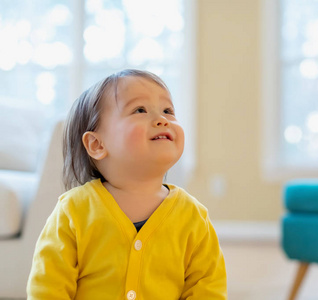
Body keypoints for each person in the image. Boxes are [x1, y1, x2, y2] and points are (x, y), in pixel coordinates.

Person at [27, 69, 227, 299]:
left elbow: (208, 287)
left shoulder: (194, 217)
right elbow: (48, 286)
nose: (162, 119)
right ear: (96, 144)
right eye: (140, 110)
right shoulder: (74, 211)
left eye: (168, 110)